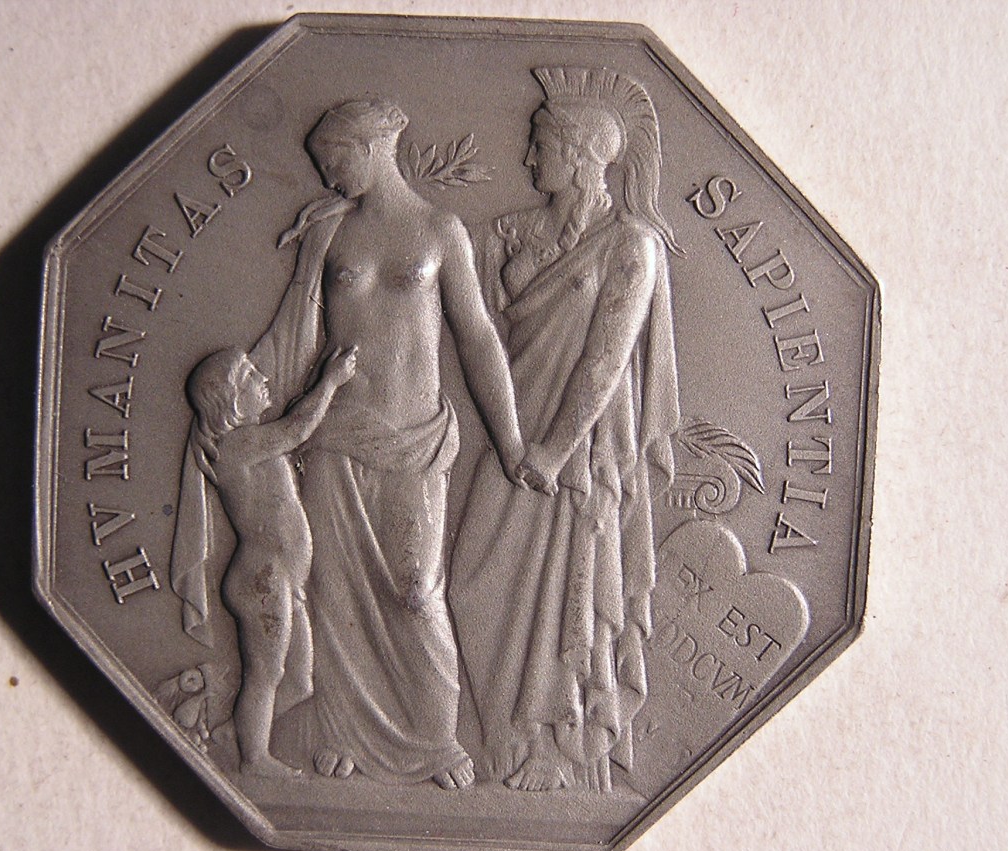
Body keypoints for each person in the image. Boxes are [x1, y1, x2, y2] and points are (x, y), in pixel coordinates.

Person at [249, 99, 524, 789]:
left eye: (334, 160)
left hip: (413, 439)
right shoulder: (328, 232)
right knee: (336, 591)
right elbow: (293, 332)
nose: (328, 176)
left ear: (373, 147)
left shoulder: (440, 230)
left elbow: (477, 336)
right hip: (337, 434)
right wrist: (239, 408)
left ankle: (436, 739)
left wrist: (511, 441)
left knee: (415, 587)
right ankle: (344, 732)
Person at [450, 67, 683, 792]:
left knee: (565, 595)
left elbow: (606, 359)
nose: (528, 159)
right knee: (469, 584)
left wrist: (555, 449)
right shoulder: (517, 231)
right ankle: (501, 741)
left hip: (575, 452)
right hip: (510, 429)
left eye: (541, 145)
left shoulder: (632, 246)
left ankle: (551, 751)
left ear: (581, 156)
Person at [184, 345, 357, 782]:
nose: (262, 378)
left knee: (298, 683)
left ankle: (233, 734)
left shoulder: (248, 442)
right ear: (229, 401)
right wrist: (330, 382)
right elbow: (297, 429)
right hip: (261, 579)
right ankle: (254, 759)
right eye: (249, 376)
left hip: (282, 581)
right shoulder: (236, 444)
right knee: (266, 674)